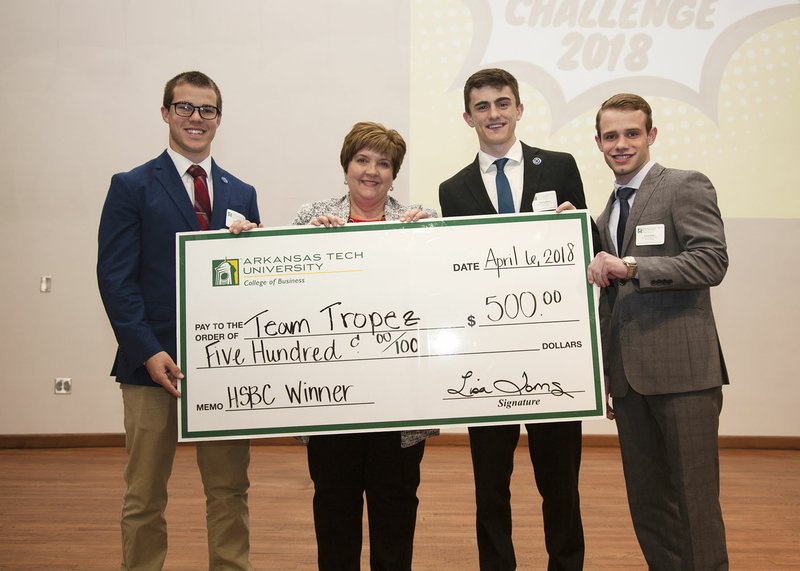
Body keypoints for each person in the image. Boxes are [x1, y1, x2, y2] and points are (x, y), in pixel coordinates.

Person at [97, 70, 261, 571]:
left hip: (223, 368)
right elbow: (115, 279)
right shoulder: (130, 187)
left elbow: (254, 284)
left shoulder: (243, 192)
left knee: (230, 491)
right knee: (145, 496)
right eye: (185, 108)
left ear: (219, 119)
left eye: (206, 110)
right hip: (151, 368)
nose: (196, 118)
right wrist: (148, 351)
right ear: (166, 112)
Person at [439, 68, 586, 570]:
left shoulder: (561, 166)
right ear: (467, 117)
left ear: (520, 109)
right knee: (490, 486)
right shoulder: (453, 190)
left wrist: (579, 227)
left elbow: (589, 254)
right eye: (482, 107)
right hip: (487, 361)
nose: (494, 114)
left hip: (555, 356)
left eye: (503, 103)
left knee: (561, 484)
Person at [587, 93, 729, 569]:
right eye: (611, 136)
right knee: (649, 507)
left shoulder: (684, 185)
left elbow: (711, 260)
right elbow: (610, 302)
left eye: (631, 134)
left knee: (696, 505)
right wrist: (607, 374)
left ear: (651, 135)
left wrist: (629, 265)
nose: (621, 144)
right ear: (599, 142)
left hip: (685, 376)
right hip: (629, 383)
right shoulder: (608, 212)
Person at [292, 121, 439, 571]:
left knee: (395, 505)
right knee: (334, 505)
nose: (372, 171)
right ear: (346, 165)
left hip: (400, 402)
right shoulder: (310, 218)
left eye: (384, 163)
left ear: (394, 174)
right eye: (363, 159)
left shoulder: (420, 220)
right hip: (332, 398)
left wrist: (430, 243)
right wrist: (304, 247)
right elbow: (287, 302)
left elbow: (438, 301)